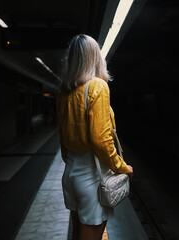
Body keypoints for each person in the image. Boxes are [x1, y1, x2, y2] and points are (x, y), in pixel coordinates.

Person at [56, 34, 133, 240]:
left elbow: (63, 138)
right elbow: (101, 139)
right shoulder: (97, 86)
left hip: (70, 174)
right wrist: (121, 167)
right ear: (95, 58)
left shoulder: (64, 93)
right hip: (92, 177)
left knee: (77, 234)